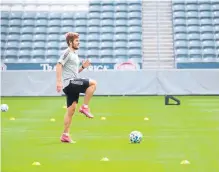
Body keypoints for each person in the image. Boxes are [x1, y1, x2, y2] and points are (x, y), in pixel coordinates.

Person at [56, 32, 97, 143]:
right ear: (70, 42)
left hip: (72, 82)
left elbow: (74, 73)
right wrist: (59, 82)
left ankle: (65, 135)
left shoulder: (75, 54)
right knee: (93, 83)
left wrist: (83, 67)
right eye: (76, 41)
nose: (79, 43)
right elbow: (59, 65)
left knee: (71, 110)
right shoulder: (67, 52)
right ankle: (85, 107)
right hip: (69, 83)